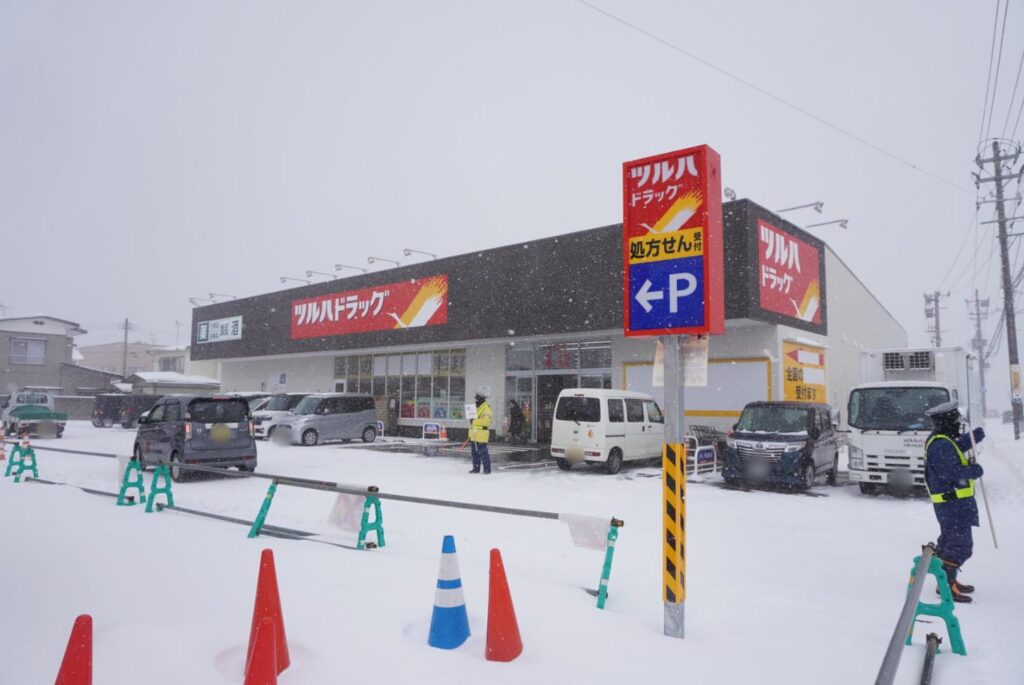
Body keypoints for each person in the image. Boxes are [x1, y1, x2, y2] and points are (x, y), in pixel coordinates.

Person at [923, 400, 985, 603]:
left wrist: (974, 437)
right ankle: (947, 586)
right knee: (960, 546)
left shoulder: (943, 440)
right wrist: (973, 471)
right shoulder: (940, 444)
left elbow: (955, 448)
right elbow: (950, 472)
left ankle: (947, 580)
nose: (959, 423)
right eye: (956, 420)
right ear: (947, 422)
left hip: (953, 504)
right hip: (952, 504)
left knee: (950, 542)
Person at [469, 391, 493, 474]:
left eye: (477, 399)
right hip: (474, 434)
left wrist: (474, 421)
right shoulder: (477, 408)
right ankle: (476, 468)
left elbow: (487, 421)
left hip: (481, 434)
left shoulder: (486, 408)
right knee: (474, 453)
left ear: (481, 399)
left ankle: (487, 469)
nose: (476, 400)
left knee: (483, 453)